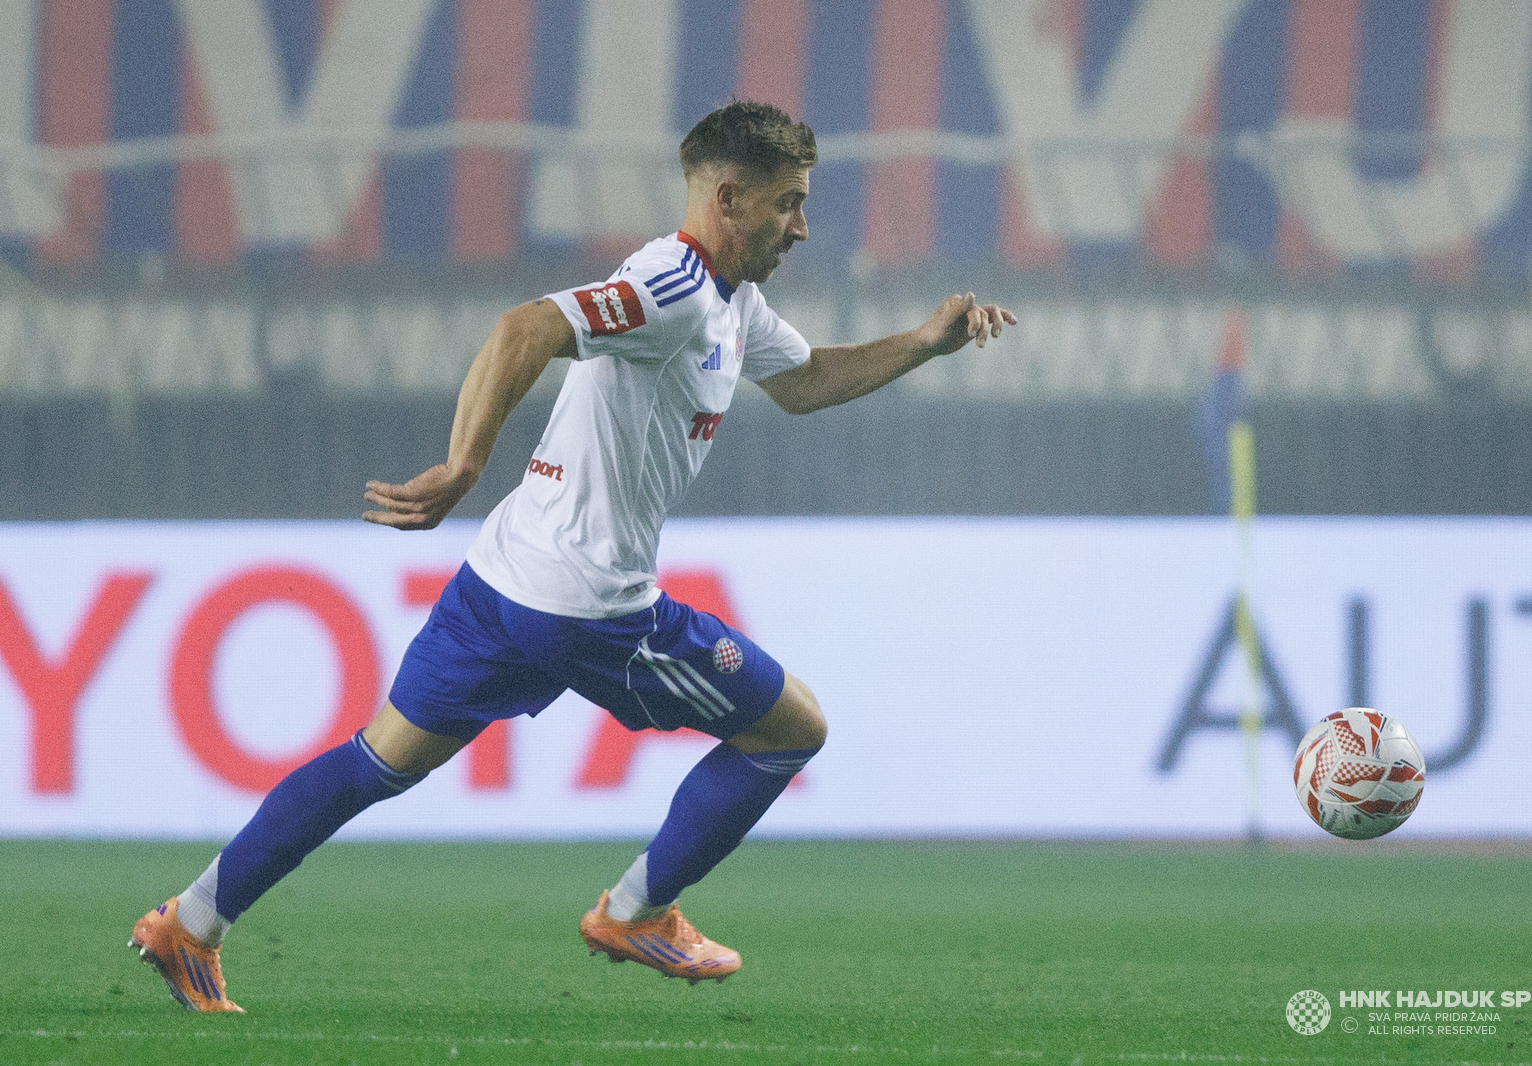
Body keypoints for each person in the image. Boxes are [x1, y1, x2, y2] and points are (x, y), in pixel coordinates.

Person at [129, 100, 1015, 1011]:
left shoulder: (733, 300)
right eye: (788, 202)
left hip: (505, 578)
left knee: (378, 758)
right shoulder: (672, 286)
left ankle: (189, 924)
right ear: (729, 195)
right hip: (591, 606)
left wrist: (921, 343)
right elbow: (525, 327)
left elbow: (804, 383)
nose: (802, 226)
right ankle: (637, 911)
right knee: (791, 730)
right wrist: (466, 460)